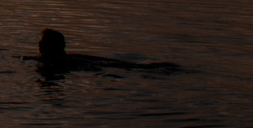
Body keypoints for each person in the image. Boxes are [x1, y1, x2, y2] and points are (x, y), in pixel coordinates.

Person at [28, 28, 178, 75]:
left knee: (134, 68)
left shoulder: (56, 63)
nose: (39, 44)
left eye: (43, 42)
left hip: (90, 67)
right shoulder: (60, 59)